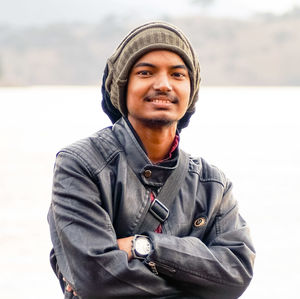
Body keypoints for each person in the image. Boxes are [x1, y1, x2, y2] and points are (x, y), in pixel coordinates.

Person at [48, 21, 255, 299]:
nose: (163, 85)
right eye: (145, 72)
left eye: (178, 75)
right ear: (123, 86)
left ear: (190, 91)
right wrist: (199, 283)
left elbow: (237, 272)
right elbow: (97, 279)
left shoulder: (212, 184)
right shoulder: (81, 165)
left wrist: (143, 246)